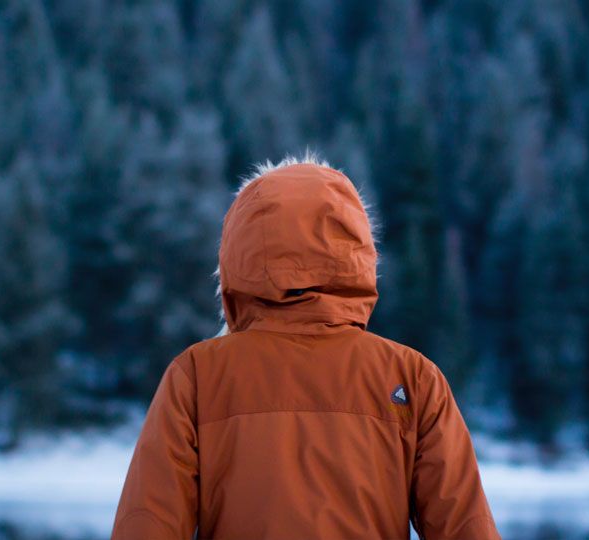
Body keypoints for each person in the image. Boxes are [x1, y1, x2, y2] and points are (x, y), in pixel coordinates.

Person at [111, 154, 501, 540]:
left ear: (238, 254)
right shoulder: (412, 377)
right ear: (357, 252)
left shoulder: (197, 375)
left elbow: (147, 524)